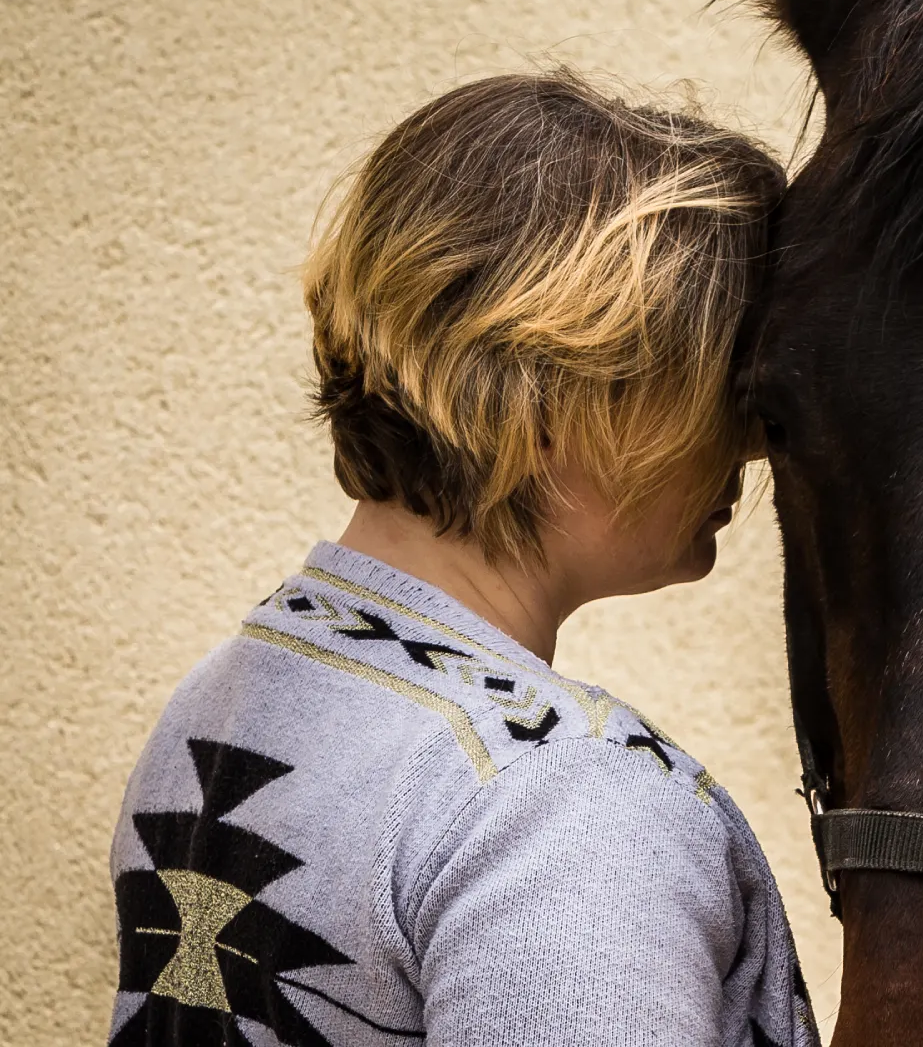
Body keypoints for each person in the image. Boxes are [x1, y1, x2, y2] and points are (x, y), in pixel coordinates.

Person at [106, 71, 814, 1046]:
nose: (758, 438)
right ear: (548, 400)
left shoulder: (227, 698)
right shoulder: (567, 814)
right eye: (723, 372)